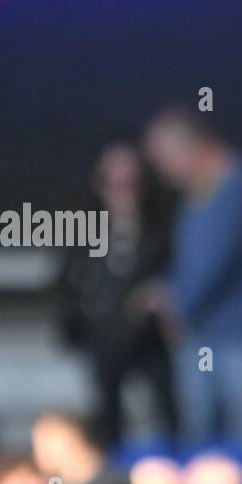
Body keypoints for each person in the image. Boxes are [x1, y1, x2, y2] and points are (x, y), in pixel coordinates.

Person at [141, 108, 242, 450]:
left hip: (238, 343)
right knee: (205, 448)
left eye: (164, 161)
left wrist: (173, 302)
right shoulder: (203, 189)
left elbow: (212, 261)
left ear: (188, 148)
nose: (162, 174)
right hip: (208, 338)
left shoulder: (233, 186)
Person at [54, 138, 176, 446]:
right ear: (99, 184)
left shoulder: (165, 227)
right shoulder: (82, 229)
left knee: (168, 417)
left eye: (132, 182)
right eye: (114, 183)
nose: (124, 191)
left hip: (154, 345)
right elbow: (65, 286)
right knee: (106, 422)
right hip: (103, 343)